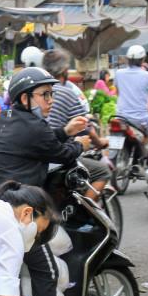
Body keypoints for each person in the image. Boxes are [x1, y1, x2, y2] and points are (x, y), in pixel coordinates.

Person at [0, 67, 91, 296]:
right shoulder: (32, 126)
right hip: (14, 211)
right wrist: (80, 144)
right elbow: (59, 153)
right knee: (46, 270)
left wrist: (64, 131)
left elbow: (43, 141)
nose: (50, 100)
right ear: (25, 98)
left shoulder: (6, 118)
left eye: (51, 94)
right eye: (44, 94)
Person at [41, 49, 110, 196]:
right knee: (102, 171)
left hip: (39, 155)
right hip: (59, 156)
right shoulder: (67, 93)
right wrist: (99, 142)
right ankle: (85, 215)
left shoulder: (35, 93)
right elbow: (84, 128)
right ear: (65, 70)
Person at [114, 44, 148, 130]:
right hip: (142, 119)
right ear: (143, 59)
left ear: (128, 59)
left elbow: (118, 93)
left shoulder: (119, 73)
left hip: (121, 117)